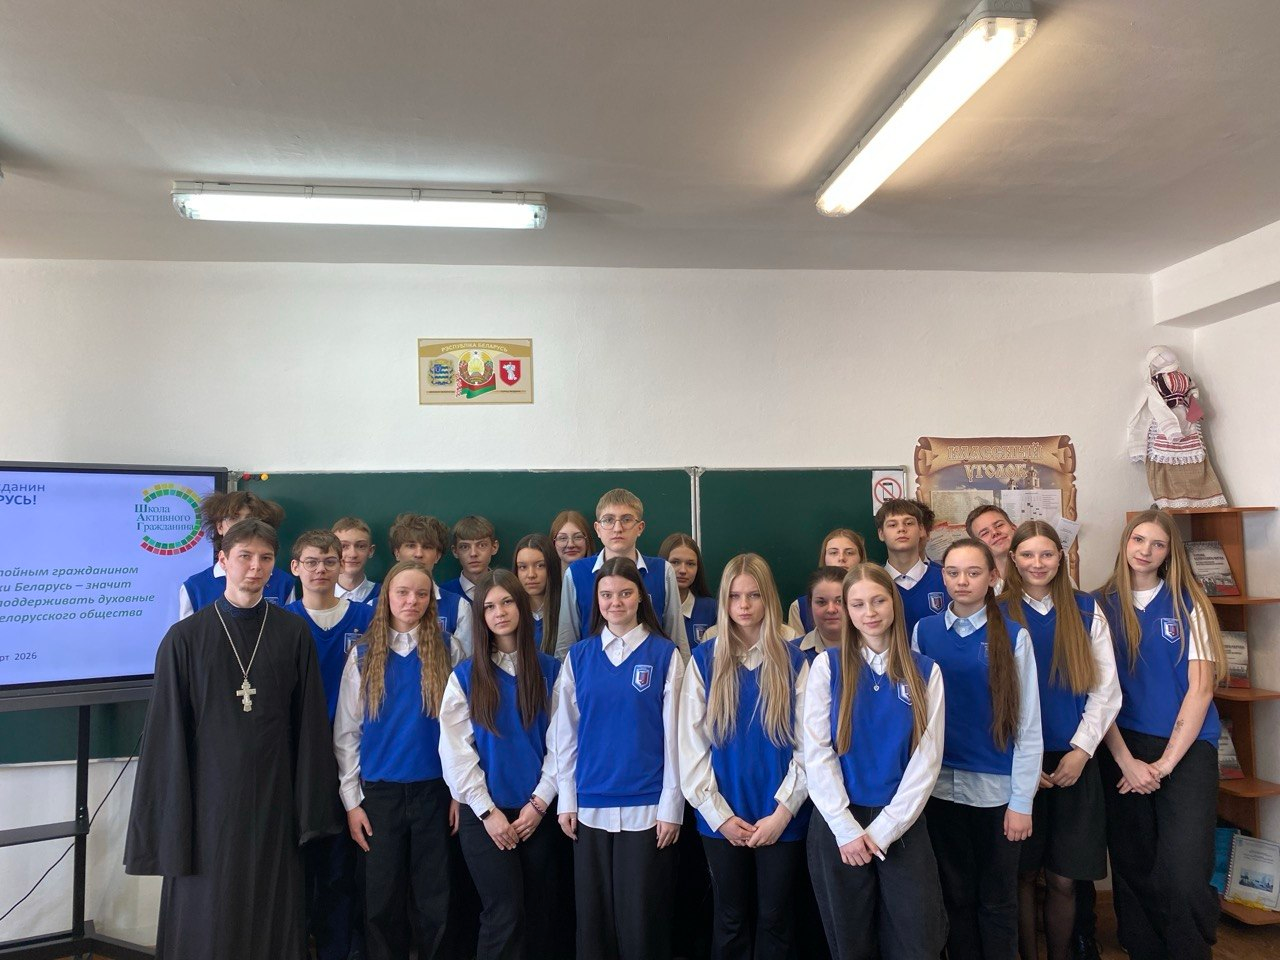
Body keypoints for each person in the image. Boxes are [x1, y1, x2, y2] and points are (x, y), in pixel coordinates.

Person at [124, 518, 339, 960]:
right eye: (245, 556)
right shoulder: (184, 638)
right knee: (210, 909)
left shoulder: (292, 633)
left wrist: (309, 808)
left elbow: (309, 726)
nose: (255, 567)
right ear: (223, 561)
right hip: (208, 804)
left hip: (275, 800)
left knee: (271, 905)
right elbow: (167, 736)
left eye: (265, 558)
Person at [1095, 511, 1226, 960]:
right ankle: (1143, 947)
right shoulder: (1098, 605)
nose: (1145, 551)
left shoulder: (1191, 604)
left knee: (1185, 867)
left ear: (1170, 553)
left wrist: (1165, 764)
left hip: (1186, 749)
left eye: (1157, 544)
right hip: (1122, 747)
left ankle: (1189, 949)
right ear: (1125, 543)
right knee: (1133, 861)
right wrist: (1126, 761)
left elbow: (1201, 689)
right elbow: (1096, 694)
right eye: (1138, 539)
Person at [803, 563, 947, 960]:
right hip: (839, 823)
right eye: (858, 604)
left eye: (878, 600)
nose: (869, 612)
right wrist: (846, 829)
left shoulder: (925, 671)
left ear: (894, 603)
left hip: (901, 822)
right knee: (851, 944)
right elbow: (817, 752)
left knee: (917, 941)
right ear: (847, 611)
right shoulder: (827, 666)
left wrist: (884, 830)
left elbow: (927, 759)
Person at [913, 538, 1043, 960]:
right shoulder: (924, 632)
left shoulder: (1014, 635)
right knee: (956, 897)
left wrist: (1022, 801)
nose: (962, 581)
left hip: (996, 793)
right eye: (953, 573)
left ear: (993, 577)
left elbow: (1028, 725)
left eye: (973, 572)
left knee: (997, 900)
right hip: (939, 790)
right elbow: (915, 716)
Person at [551, 556, 685, 960]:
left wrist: (671, 807)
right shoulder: (579, 656)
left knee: (642, 924)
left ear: (640, 597)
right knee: (594, 927)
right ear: (596, 600)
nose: (615, 602)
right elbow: (564, 736)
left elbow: (676, 739)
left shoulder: (665, 655)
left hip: (648, 809)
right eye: (606, 595)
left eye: (625, 593)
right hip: (590, 806)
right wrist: (567, 799)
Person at [333, 560, 467, 960]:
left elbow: (463, 732)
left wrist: (458, 793)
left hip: (434, 793)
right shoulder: (362, 655)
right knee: (380, 901)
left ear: (431, 601)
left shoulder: (449, 649)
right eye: (403, 593)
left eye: (421, 594)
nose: (412, 601)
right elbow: (347, 734)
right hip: (379, 796)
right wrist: (352, 802)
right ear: (386, 597)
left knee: (435, 900)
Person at [680, 554, 809, 960]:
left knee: (776, 918)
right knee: (730, 918)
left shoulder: (795, 661)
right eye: (735, 596)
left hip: (781, 817)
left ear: (768, 599)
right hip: (722, 817)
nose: (744, 605)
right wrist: (719, 816)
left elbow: (810, 749)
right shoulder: (704, 661)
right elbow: (690, 748)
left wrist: (782, 814)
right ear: (724, 601)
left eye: (754, 595)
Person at [1002, 522, 1120, 960]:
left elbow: (1106, 689)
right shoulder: (998, 611)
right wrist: (1022, 762)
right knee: (1021, 875)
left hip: (1073, 761)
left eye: (1047, 554)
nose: (1037, 563)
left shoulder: (1086, 609)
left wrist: (1082, 751)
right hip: (1019, 764)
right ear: (1013, 559)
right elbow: (991, 695)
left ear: (1060, 557)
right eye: (1028, 554)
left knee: (1064, 879)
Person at [439, 570, 561, 960]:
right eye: (489, 606)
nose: (500, 612)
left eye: (507, 602)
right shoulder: (465, 676)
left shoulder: (551, 670)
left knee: (541, 913)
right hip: (485, 815)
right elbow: (456, 752)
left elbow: (563, 746)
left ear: (521, 607)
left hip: (537, 812)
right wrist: (487, 811)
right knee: (503, 912)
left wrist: (539, 803)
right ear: (481, 617)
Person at [285, 529, 376, 960]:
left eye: (329, 561)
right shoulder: (279, 622)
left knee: (341, 871)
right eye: (311, 562)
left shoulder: (367, 618)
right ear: (295, 568)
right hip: (295, 763)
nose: (320, 570)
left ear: (342, 565)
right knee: (296, 870)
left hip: (352, 760)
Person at [555, 488, 688, 659]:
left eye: (626, 519)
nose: (617, 528)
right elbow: (566, 644)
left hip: (651, 670)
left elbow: (677, 638)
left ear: (640, 528)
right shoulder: (576, 573)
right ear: (597, 529)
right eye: (608, 520)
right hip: (592, 670)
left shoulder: (663, 571)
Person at [179, 490, 294, 617]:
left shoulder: (283, 582)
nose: (242, 524)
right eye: (233, 518)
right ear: (220, 527)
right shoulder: (195, 587)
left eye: (250, 518)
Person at [389, 512, 473, 654]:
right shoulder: (375, 605)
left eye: (427, 547)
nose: (418, 554)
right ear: (397, 553)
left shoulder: (459, 606)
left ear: (438, 556)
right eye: (411, 545)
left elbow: (465, 663)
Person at [876, 499, 947, 634]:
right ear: (881, 534)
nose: (901, 529)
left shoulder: (945, 579)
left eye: (909, 523)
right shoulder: (873, 581)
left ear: (921, 530)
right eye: (892, 525)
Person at [785, 529, 865, 636]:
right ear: (824, 558)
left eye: (849, 553)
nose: (841, 558)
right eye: (833, 553)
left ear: (861, 559)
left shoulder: (875, 599)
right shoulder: (800, 607)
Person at [659, 532, 718, 647]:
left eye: (690, 564)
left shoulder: (712, 609)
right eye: (675, 562)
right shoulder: (651, 607)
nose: (683, 570)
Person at [794, 566, 847, 662]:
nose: (831, 609)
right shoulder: (790, 653)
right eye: (821, 602)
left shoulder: (873, 649)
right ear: (810, 604)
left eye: (840, 601)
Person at [441, 515, 500, 601]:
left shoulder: (508, 589)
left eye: (482, 545)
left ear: (494, 547)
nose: (473, 553)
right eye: (464, 547)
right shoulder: (441, 594)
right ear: (455, 551)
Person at [967, 505, 1016, 591]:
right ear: (979, 546)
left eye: (999, 525)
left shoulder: (1037, 572)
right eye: (985, 533)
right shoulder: (978, 587)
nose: (994, 532)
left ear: (1014, 528)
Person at [333, 515, 380, 605]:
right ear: (332, 551)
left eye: (361, 546)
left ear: (370, 551)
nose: (353, 554)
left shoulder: (385, 594)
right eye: (344, 546)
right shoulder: (319, 594)